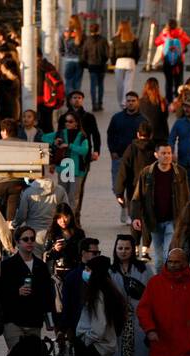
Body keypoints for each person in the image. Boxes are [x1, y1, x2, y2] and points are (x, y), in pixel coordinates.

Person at [74, 255, 126, 356]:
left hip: (96, 346)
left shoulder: (97, 294)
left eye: (88, 269)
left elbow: (100, 325)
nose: (85, 272)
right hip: (104, 345)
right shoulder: (109, 290)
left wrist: (86, 340)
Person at [107, 234, 153, 356]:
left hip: (140, 321)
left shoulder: (144, 270)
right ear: (115, 249)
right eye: (120, 248)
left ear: (132, 249)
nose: (123, 251)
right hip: (119, 322)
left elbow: (152, 293)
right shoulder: (110, 271)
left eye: (126, 248)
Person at [0, 224, 56, 348]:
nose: (29, 242)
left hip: (34, 321)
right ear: (17, 242)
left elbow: (47, 293)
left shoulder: (40, 266)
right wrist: (16, 292)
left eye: (32, 239)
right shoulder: (7, 266)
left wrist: (49, 316)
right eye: (25, 239)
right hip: (13, 321)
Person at [131, 143, 188, 265]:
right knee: (158, 259)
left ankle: (167, 280)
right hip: (154, 221)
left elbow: (186, 197)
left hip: (173, 221)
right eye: (163, 153)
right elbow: (137, 197)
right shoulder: (146, 173)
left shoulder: (180, 173)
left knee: (168, 253)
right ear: (156, 155)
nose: (167, 156)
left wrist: (186, 218)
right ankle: (159, 281)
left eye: (169, 153)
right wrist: (136, 217)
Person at [44, 204, 87, 356]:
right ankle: (61, 344)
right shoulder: (52, 234)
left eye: (66, 216)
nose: (63, 220)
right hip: (57, 277)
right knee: (58, 311)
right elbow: (46, 257)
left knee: (74, 310)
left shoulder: (78, 233)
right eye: (60, 217)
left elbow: (84, 253)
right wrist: (54, 250)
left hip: (74, 276)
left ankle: (73, 342)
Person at [114, 121, 156, 251]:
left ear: (138, 134)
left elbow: (123, 170)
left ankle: (136, 246)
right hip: (151, 189)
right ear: (151, 134)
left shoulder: (131, 149)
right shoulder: (155, 148)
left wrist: (119, 192)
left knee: (135, 217)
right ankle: (145, 248)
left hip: (133, 189)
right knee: (148, 217)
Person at [56, 93, 100, 213]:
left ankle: (76, 216)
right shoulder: (63, 117)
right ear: (70, 100)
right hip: (65, 159)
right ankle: (64, 215)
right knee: (64, 189)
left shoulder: (89, 117)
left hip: (82, 159)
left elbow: (95, 135)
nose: (77, 100)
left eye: (79, 98)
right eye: (74, 98)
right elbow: (57, 135)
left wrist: (96, 151)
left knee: (77, 189)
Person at [107, 93, 146, 222]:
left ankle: (130, 213)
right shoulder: (117, 118)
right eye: (128, 100)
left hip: (135, 159)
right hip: (119, 157)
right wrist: (112, 150)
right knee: (116, 187)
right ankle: (123, 206)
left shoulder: (142, 120)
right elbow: (110, 134)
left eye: (133, 100)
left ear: (137, 102)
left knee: (132, 186)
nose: (130, 103)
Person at [15, 166, 69, 256]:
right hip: (54, 231)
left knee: (36, 264)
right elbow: (66, 210)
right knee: (51, 261)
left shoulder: (28, 192)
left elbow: (21, 216)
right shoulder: (60, 190)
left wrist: (13, 224)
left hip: (34, 233)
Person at [155, 18, 190, 102]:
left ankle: (169, 100)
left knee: (168, 81)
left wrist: (164, 34)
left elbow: (156, 42)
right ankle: (178, 99)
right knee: (178, 81)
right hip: (179, 61)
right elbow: (189, 40)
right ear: (176, 25)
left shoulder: (164, 34)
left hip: (167, 61)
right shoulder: (181, 33)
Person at [110, 20, 141, 107]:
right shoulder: (134, 39)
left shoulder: (115, 39)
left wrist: (113, 62)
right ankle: (125, 102)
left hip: (119, 62)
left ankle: (121, 102)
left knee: (119, 85)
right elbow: (138, 52)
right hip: (130, 62)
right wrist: (135, 61)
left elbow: (112, 52)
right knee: (128, 85)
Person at [82, 21, 110, 111]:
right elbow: (107, 54)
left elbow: (84, 54)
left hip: (92, 65)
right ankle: (100, 104)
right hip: (101, 65)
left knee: (93, 85)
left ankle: (94, 104)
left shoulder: (87, 40)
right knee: (101, 85)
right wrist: (104, 61)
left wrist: (87, 63)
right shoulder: (103, 40)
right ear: (98, 29)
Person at [37, 53, 66, 132]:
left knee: (41, 123)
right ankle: (50, 140)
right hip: (51, 99)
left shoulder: (37, 68)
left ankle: (44, 141)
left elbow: (39, 87)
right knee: (48, 123)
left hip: (40, 101)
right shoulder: (49, 66)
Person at [138, 76, 169, 144]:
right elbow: (165, 117)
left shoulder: (140, 102)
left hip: (145, 135)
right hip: (160, 136)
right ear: (157, 88)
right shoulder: (162, 101)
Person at [60, 15, 84, 101]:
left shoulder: (65, 33)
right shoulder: (81, 33)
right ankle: (77, 100)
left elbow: (61, 46)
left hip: (69, 60)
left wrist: (63, 53)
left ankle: (70, 100)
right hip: (79, 61)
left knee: (68, 82)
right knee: (77, 82)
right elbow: (85, 47)